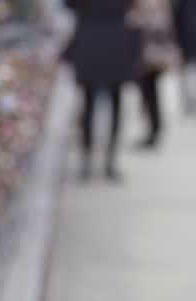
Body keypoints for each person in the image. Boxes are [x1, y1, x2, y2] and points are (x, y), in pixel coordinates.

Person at [63, 0, 140, 180]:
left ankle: (87, 160)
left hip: (89, 39)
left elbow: (69, 5)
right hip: (115, 40)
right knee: (115, 103)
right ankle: (109, 161)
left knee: (88, 104)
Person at [128, 0, 178, 148]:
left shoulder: (156, 8)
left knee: (150, 94)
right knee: (149, 94)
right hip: (147, 53)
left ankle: (154, 130)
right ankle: (153, 129)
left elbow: (164, 28)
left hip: (151, 55)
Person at [173, 0, 196, 116]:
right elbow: (176, 20)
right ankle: (186, 104)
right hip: (185, 44)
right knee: (185, 77)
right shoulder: (182, 3)